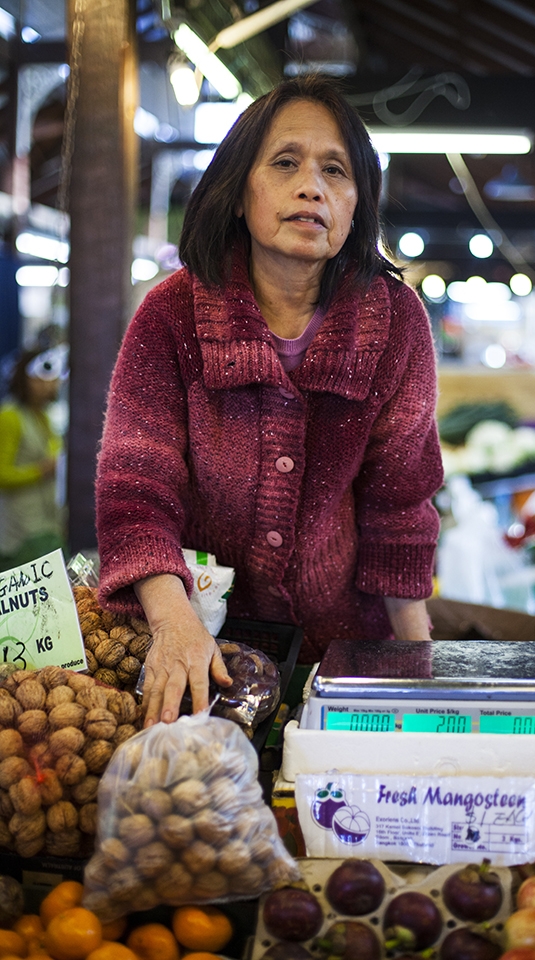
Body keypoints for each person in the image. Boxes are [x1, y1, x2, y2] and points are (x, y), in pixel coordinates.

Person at [96, 75, 444, 727]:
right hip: (200, 653)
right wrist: (173, 623)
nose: (311, 186)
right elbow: (135, 488)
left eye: (335, 170)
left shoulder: (396, 321)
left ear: (356, 205)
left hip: (344, 659)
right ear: (239, 189)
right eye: (285, 162)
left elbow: (399, 504)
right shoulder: (170, 315)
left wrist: (418, 670)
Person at [0, 345, 67, 570]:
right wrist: (41, 470)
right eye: (43, 377)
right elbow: (2, 473)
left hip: (46, 521)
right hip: (19, 529)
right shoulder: (10, 417)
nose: (51, 383)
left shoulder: (44, 417)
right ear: (26, 378)